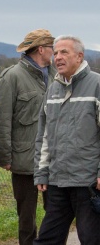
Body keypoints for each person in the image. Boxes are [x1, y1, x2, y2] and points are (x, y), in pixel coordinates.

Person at [34, 35, 100, 244]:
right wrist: (41, 171)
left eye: (64, 52)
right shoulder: (53, 89)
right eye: (55, 53)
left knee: (91, 238)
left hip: (88, 183)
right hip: (58, 181)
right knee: (47, 239)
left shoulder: (96, 85)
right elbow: (43, 134)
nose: (58, 57)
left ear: (80, 56)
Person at [0, 28, 56, 245]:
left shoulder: (56, 75)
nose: (54, 53)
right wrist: (5, 157)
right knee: (26, 219)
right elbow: (1, 119)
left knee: (57, 214)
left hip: (55, 159)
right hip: (24, 160)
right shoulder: (12, 77)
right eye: (51, 48)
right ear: (41, 49)